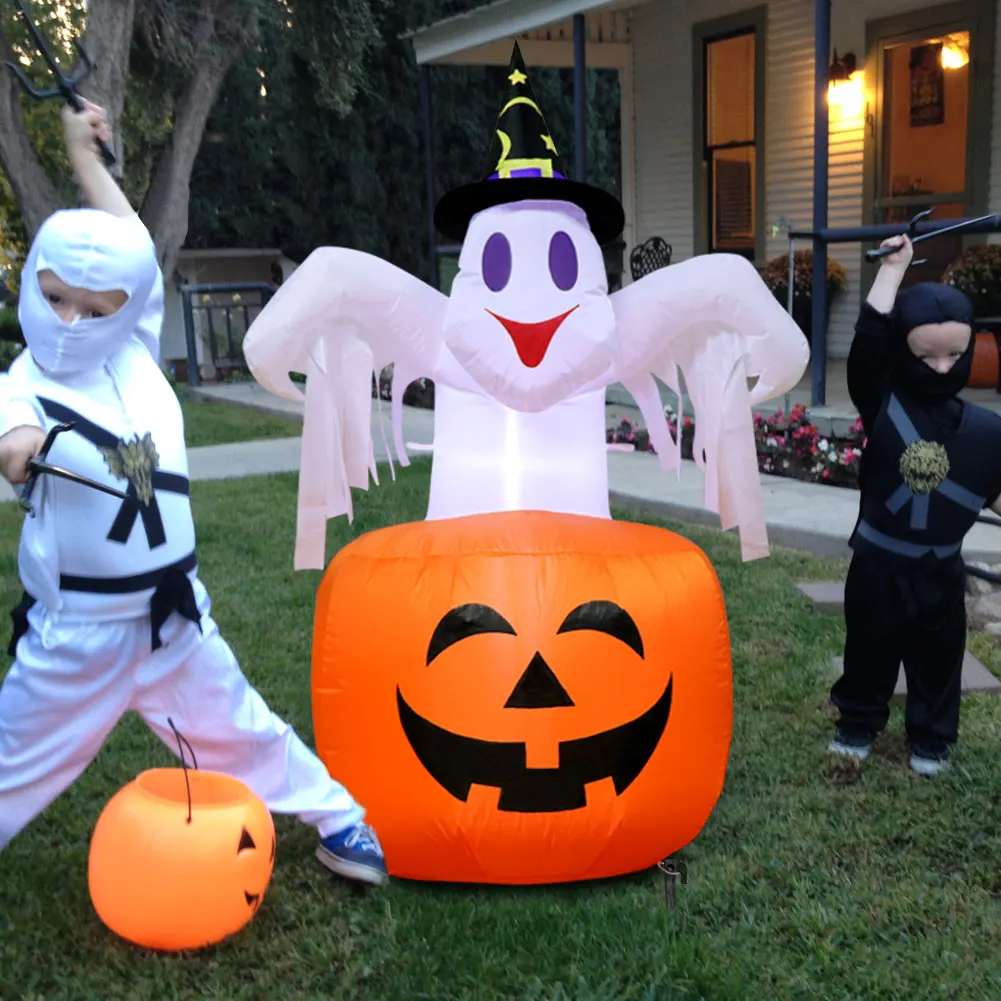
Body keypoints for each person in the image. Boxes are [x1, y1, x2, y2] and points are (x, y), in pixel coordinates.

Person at [0, 100, 387, 885]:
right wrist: (24, 446)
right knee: (13, 759)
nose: (71, 320)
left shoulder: (135, 350)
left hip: (175, 618)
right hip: (77, 638)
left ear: (124, 310)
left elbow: (134, 250)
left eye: (95, 307)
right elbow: (12, 444)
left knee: (242, 726)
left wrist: (84, 155)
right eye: (57, 298)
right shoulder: (21, 382)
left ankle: (337, 817)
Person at [828, 232, 1001, 776]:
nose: (943, 367)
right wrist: (892, 271)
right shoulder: (883, 404)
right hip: (877, 564)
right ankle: (858, 722)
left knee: (939, 656)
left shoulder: (986, 432)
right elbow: (867, 345)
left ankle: (931, 736)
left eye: (955, 354)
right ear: (905, 349)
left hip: (940, 569)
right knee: (868, 647)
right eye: (927, 354)